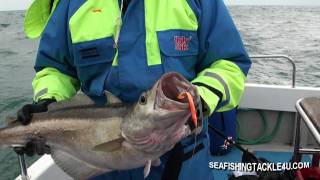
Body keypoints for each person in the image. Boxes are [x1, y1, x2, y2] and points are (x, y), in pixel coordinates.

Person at [17, 0, 251, 179]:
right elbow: (55, 69)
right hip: (99, 160)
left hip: (184, 162)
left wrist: (204, 98)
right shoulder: (72, 4)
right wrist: (48, 102)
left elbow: (229, 63)